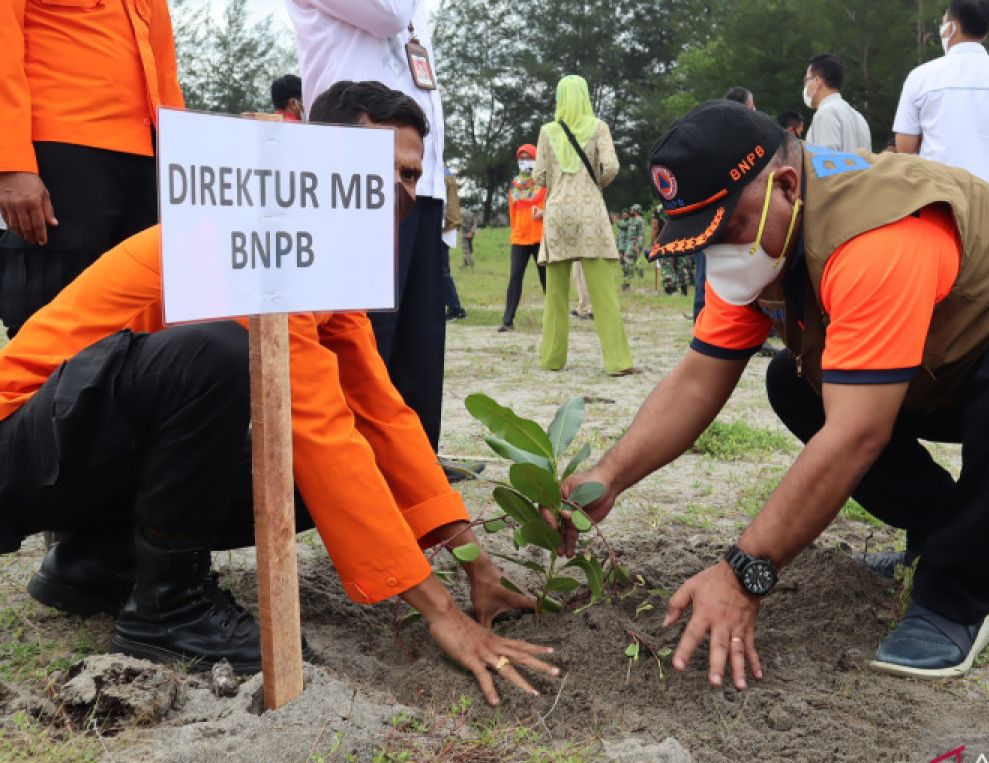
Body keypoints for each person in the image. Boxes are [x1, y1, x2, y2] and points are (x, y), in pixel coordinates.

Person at [557, 100, 989, 688]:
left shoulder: (874, 232)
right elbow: (697, 377)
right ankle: (948, 528)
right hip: (959, 364)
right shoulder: (762, 246)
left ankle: (955, 594)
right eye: (700, 238)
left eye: (729, 227)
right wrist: (607, 478)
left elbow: (857, 434)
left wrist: (745, 573)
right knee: (793, 383)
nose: (720, 251)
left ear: (787, 186)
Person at [0, 81, 558, 706]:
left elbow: (381, 415)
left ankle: (96, 564)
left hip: (87, 452)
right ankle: (167, 607)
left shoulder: (321, 261)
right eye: (383, 169)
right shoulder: (250, 247)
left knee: (303, 468)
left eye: (410, 176)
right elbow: (319, 431)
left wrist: (474, 564)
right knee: (215, 360)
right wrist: (439, 613)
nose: (400, 193)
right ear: (321, 161)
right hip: (21, 447)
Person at [286, 0, 451, 464]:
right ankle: (357, 458)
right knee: (368, 332)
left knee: (421, 333)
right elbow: (388, 14)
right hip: (356, 173)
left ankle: (417, 460)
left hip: (417, 174)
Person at [0, 0, 183, 339]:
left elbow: (164, 69)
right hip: (61, 150)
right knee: (51, 317)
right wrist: (9, 163)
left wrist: (181, 160)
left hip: (151, 157)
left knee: (144, 320)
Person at [534, 76, 634, 376]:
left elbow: (538, 175)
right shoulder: (599, 127)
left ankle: (552, 358)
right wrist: (596, 183)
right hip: (590, 211)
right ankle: (617, 361)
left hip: (557, 213)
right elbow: (612, 166)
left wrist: (556, 180)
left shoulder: (547, 130)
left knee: (555, 292)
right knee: (603, 291)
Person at [893, 0, 989, 196]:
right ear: (986, 31)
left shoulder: (920, 77)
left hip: (939, 196)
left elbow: (904, 146)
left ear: (951, 27)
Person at [499, 144, 547, 332]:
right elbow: (512, 213)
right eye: (521, 158)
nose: (524, 161)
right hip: (519, 239)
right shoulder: (514, 186)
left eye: (528, 157)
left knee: (546, 280)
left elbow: (554, 206)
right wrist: (514, 232)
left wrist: (543, 212)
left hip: (539, 238)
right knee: (515, 278)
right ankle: (507, 321)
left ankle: (555, 319)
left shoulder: (544, 184)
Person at [803, 54, 872, 152]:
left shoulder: (825, 114)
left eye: (807, 80)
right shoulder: (859, 118)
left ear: (817, 80)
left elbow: (826, 163)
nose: (806, 86)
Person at [442, 168, 467, 321]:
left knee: (442, 271)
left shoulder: (442, 174)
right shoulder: (446, 172)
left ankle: (455, 307)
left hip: (442, 227)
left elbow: (445, 205)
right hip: (445, 226)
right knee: (442, 270)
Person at [623, 204, 647, 282]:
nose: (630, 211)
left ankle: (629, 277)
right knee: (634, 260)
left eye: (632, 210)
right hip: (630, 243)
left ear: (636, 211)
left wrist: (637, 246)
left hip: (635, 243)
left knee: (628, 259)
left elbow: (641, 234)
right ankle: (639, 275)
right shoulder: (632, 219)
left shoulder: (640, 220)